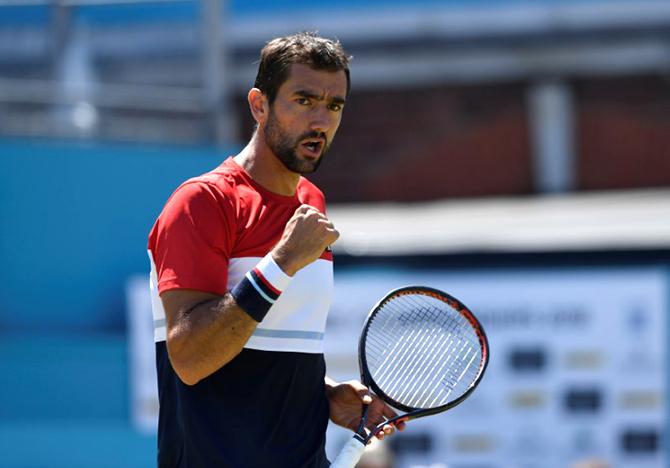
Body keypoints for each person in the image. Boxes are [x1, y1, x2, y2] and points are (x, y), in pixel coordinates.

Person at [147, 32, 404, 468]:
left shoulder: (312, 203)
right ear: (259, 105)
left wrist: (324, 395)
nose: (321, 120)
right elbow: (190, 358)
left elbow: (261, 355)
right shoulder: (202, 202)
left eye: (334, 105)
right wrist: (282, 263)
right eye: (304, 100)